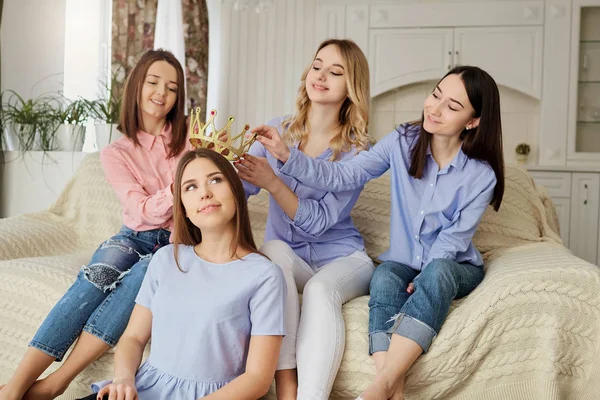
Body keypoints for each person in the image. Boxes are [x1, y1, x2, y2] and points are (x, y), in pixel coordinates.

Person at [247, 65, 505, 400]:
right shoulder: (402, 141)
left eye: (452, 107)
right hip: (401, 263)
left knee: (438, 272)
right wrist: (286, 156)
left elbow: (453, 240)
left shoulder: (481, 175)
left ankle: (380, 385)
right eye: (436, 95)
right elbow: (344, 175)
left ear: (472, 122)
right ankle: (390, 389)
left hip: (453, 265)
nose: (435, 108)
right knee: (383, 278)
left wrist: (424, 279)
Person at [0, 49, 188, 400]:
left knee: (141, 279)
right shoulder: (116, 152)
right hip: (133, 236)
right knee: (97, 276)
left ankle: (58, 382)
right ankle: (15, 386)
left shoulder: (191, 140)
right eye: (153, 82)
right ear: (136, 86)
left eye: (173, 87)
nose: (162, 92)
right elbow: (140, 209)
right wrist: (178, 188)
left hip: (177, 242)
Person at [78, 148, 286, 400]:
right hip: (142, 390)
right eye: (190, 187)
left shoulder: (264, 275)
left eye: (216, 180)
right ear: (184, 209)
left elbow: (258, 379)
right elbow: (133, 337)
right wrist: (123, 380)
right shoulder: (166, 259)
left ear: (236, 190)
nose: (205, 193)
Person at [234, 39, 375, 400]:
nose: (322, 75)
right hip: (291, 256)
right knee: (273, 253)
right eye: (317, 66)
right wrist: (220, 162)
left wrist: (273, 182)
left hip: (343, 258)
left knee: (319, 290)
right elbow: (241, 191)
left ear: (351, 87)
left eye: (336, 71)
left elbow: (317, 222)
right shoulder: (276, 129)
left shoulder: (357, 152)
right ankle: (286, 387)